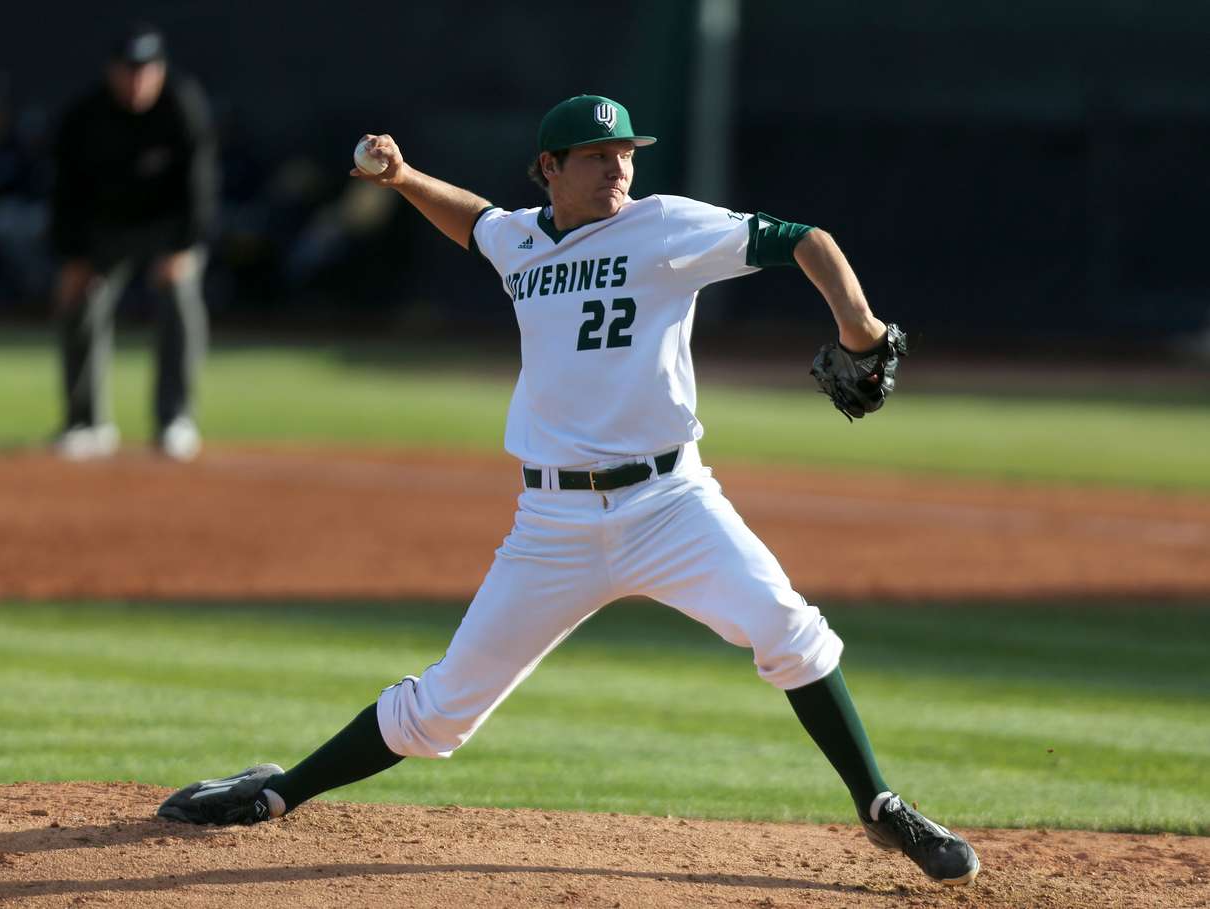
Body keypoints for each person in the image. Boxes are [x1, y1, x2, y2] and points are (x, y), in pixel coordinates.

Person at [158, 95, 979, 887]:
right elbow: (477, 223)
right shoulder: (522, 239)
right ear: (549, 167)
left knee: (791, 630)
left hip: (670, 504)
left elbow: (806, 239)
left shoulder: (663, 226)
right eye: (597, 156)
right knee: (441, 713)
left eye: (625, 152)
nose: (617, 167)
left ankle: (880, 803)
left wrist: (859, 327)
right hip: (551, 522)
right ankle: (274, 790)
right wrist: (404, 178)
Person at [49, 23, 218, 461]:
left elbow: (199, 187)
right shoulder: (85, 116)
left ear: (161, 71)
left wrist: (183, 248)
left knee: (180, 293)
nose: (138, 79)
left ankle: (175, 420)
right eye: (129, 69)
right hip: (104, 228)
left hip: (167, 228)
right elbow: (65, 193)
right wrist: (73, 257)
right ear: (112, 71)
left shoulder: (182, 105)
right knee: (78, 296)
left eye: (147, 69)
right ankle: (86, 422)